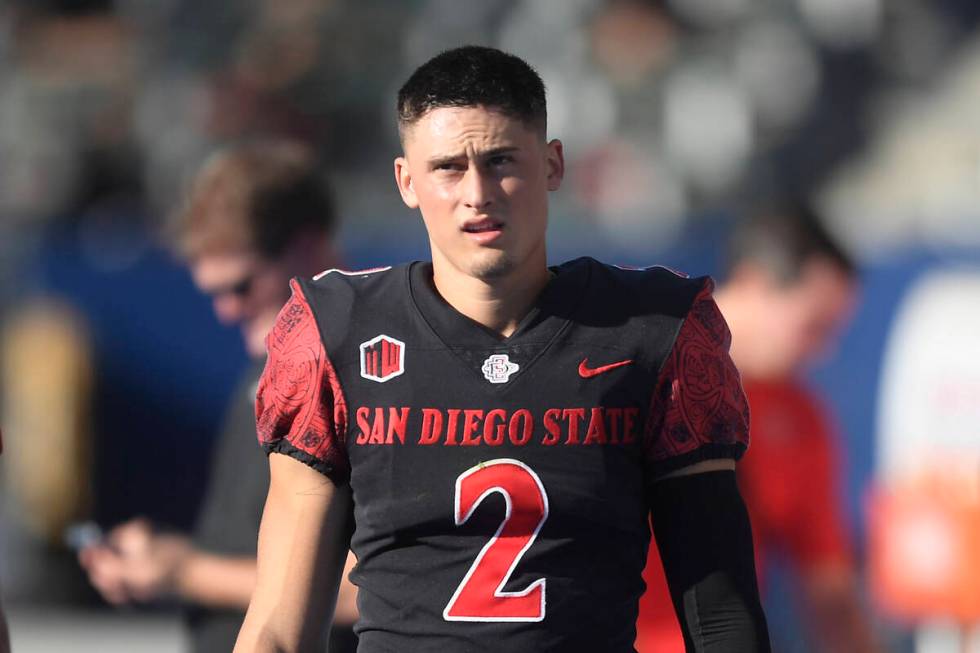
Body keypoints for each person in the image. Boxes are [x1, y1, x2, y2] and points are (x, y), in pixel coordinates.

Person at [235, 46, 770, 652]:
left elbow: (722, 615)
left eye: (500, 161)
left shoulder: (654, 331)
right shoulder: (335, 333)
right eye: (447, 168)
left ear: (552, 165)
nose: (477, 192)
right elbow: (278, 628)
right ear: (406, 181)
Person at [78, 139, 358, 653]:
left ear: (311, 247)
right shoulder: (270, 367)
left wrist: (184, 571)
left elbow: (368, 589)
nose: (226, 312)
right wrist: (160, 563)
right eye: (213, 292)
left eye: (241, 286)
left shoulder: (363, 371)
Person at [636, 205, 880, 652]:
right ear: (755, 283)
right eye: (814, 327)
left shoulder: (801, 419)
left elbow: (829, 593)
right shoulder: (633, 368)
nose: (822, 351)